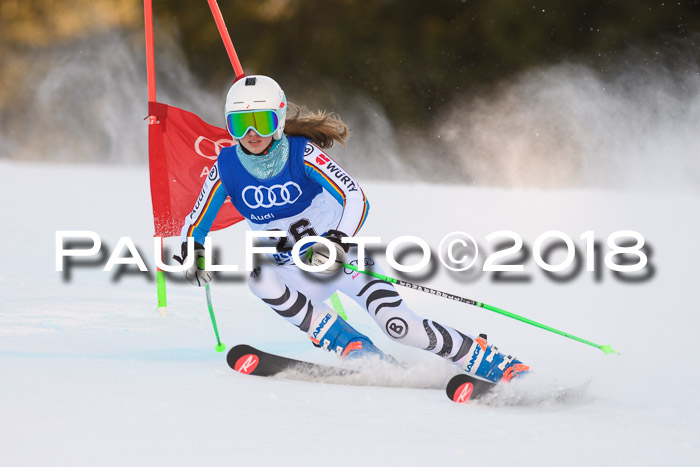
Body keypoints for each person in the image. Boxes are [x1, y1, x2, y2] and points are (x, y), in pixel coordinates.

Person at [176, 75, 529, 383]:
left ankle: (488, 359)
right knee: (258, 278)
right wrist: (194, 252)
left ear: (279, 120)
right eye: (241, 125)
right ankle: (352, 346)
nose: (252, 134)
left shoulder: (302, 154)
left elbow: (355, 197)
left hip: (340, 261)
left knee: (401, 328)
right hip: (290, 271)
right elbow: (197, 220)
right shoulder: (225, 167)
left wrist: (335, 242)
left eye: (262, 122)